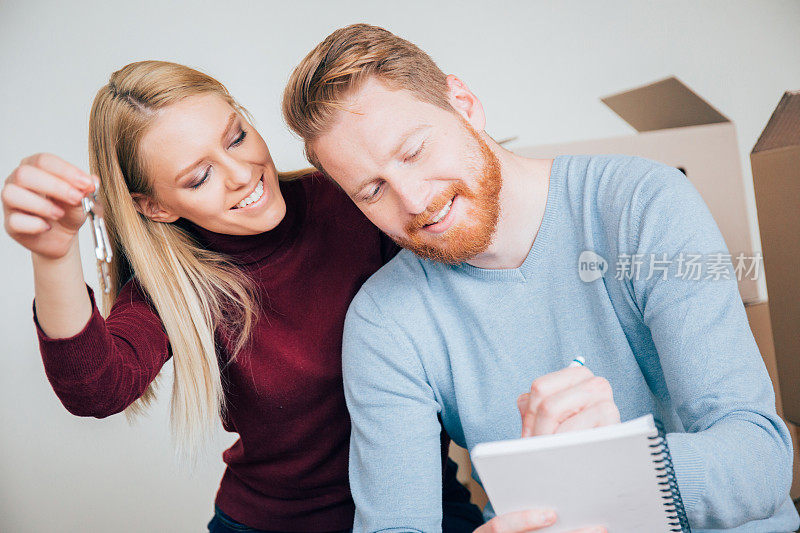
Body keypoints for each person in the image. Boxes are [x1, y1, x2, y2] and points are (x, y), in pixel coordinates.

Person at [281, 24, 800, 532]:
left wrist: (610, 480)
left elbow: (760, 460)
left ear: (462, 102)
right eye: (372, 191)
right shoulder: (384, 321)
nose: (414, 201)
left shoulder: (642, 204)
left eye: (414, 152)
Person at [2, 60, 483, 533]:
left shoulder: (354, 199)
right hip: (269, 524)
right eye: (199, 177)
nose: (242, 173)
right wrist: (53, 256)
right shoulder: (173, 286)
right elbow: (97, 388)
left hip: (430, 507)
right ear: (156, 207)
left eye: (236, 137)